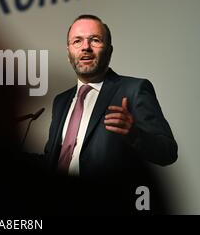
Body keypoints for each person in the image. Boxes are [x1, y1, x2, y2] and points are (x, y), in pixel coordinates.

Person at [44, 14, 178, 185]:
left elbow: (168, 152)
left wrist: (134, 134)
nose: (85, 47)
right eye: (77, 41)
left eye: (95, 40)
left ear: (109, 51)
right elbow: (51, 158)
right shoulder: (61, 101)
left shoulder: (134, 90)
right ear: (68, 51)